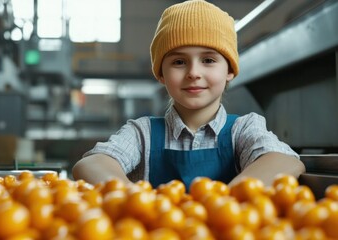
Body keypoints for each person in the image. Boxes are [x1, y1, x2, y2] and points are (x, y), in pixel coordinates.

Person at [72, 0, 305, 190]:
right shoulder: (142, 134)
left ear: (230, 71)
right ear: (161, 74)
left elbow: (284, 160)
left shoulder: (243, 130)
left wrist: (227, 200)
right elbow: (92, 163)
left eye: (208, 60)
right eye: (179, 62)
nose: (194, 72)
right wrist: (131, 195)